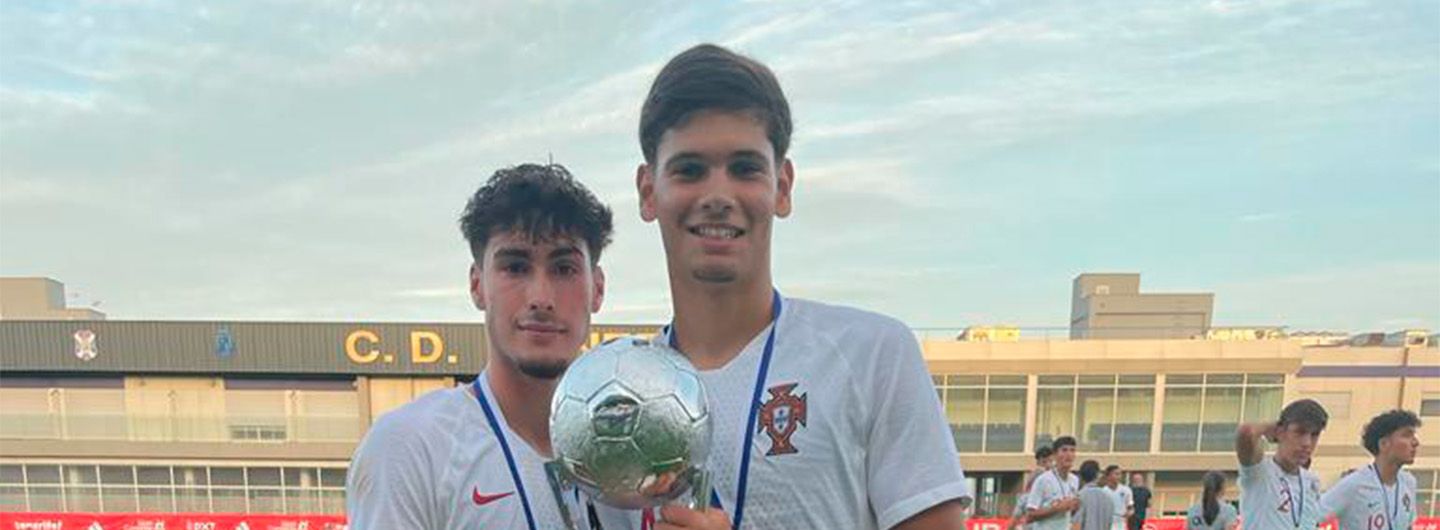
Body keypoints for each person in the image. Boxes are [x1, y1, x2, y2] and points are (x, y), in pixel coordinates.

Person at [605, 42, 970, 530]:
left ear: (783, 186)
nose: (718, 195)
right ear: (649, 192)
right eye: (690, 170)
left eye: (745, 168)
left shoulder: (872, 354)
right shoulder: (622, 397)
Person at [346, 163, 613, 529]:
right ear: (477, 286)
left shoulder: (630, 459)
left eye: (564, 269)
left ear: (597, 288)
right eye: (515, 267)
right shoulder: (411, 447)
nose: (541, 297)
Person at [1235, 398, 1330, 530]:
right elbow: (1247, 432)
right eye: (1299, 432)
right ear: (1280, 432)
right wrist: (1270, 427)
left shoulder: (1312, 481)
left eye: (1314, 434)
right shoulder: (1260, 472)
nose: (1307, 443)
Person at [1321, 409, 1422, 529]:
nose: (1415, 442)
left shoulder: (1409, 482)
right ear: (1383, 444)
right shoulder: (1355, 484)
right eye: (1407, 435)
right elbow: (1311, 517)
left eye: (1414, 436)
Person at [1026, 437, 1081, 530]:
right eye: (1064, 450)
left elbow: (1069, 514)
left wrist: (1074, 507)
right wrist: (1056, 508)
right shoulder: (1043, 480)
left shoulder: (1074, 480)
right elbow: (1029, 516)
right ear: (1055, 455)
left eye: (1072, 450)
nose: (1069, 454)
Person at [1007, 446, 1056, 530]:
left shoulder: (1057, 491)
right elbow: (1014, 520)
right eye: (1044, 462)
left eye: (1050, 461)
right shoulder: (1027, 497)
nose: (1048, 465)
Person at [1073, 460, 1115, 530]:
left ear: (1080, 476)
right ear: (1098, 475)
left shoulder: (1079, 497)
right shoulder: (1108, 497)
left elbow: (1076, 525)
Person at [1102, 465, 1131, 530]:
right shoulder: (1103, 492)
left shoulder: (1127, 490)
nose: (1119, 477)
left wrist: (1129, 512)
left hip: (1121, 524)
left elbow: (1130, 505)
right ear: (1108, 476)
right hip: (1107, 524)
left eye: (1120, 474)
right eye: (1116, 474)